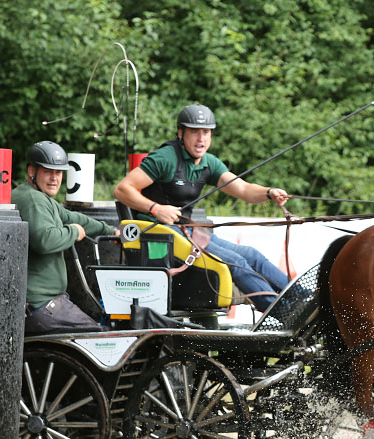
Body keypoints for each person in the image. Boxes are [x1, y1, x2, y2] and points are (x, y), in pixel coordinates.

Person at [113, 104, 294, 312]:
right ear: (181, 133)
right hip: (158, 234)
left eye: (206, 133)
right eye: (194, 132)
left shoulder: (208, 163)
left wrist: (269, 193)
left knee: (252, 255)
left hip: (186, 232)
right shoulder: (165, 158)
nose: (201, 139)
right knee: (234, 261)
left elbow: (243, 189)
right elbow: (122, 189)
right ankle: (283, 312)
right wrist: (156, 208)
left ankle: (305, 302)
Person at [12, 141, 119, 333]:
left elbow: (73, 217)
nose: (54, 178)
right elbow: (45, 240)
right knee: (101, 338)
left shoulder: (40, 198)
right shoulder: (33, 200)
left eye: (59, 172)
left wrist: (110, 231)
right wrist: (74, 232)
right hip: (41, 304)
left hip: (49, 302)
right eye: (48, 171)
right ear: (31, 171)